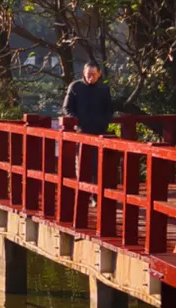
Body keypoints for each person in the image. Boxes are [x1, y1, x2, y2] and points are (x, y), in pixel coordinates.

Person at [62, 61, 114, 206]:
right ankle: (83, 197)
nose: (91, 77)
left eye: (93, 74)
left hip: (100, 132)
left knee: (99, 166)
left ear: (99, 74)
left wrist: (104, 122)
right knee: (83, 165)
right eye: (88, 74)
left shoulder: (104, 88)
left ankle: (97, 196)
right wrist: (76, 121)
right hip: (82, 132)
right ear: (84, 74)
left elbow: (109, 109)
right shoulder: (76, 87)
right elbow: (66, 109)